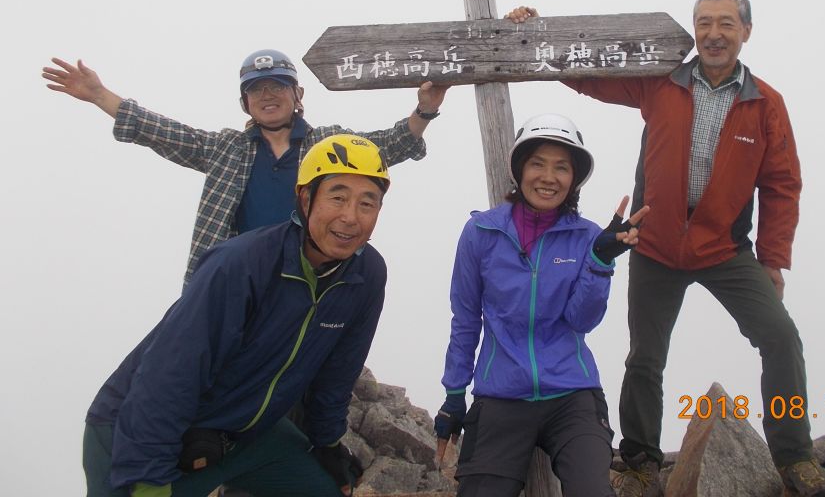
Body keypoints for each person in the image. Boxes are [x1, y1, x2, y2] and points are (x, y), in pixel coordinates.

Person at [506, 0, 825, 497]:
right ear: (693, 30)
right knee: (645, 357)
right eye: (704, 23)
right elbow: (595, 75)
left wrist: (774, 260)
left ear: (745, 31)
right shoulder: (662, 80)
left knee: (780, 338)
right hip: (655, 245)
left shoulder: (765, 104)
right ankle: (640, 462)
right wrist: (538, 35)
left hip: (725, 250)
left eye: (726, 24)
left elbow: (781, 185)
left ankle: (795, 457)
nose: (713, 33)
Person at [83, 134, 392, 497]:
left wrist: (326, 443)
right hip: (136, 433)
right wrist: (147, 477)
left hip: (240, 435)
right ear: (306, 198)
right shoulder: (242, 264)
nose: (350, 217)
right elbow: (170, 373)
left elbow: (338, 372)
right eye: (337, 197)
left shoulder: (366, 275)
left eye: (367, 203)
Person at [42, 49, 446, 285]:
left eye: (277, 86)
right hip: (238, 277)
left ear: (297, 94)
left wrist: (427, 108)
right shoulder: (226, 148)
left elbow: (389, 146)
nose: (267, 96)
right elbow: (162, 132)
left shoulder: (328, 142)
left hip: (308, 274)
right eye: (257, 89)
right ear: (245, 103)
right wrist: (99, 96)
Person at [433, 113, 650, 497]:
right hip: (500, 396)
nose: (548, 177)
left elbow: (581, 320)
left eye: (561, 168)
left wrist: (601, 261)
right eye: (537, 164)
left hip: (572, 395)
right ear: (520, 170)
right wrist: (454, 394)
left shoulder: (587, 236)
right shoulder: (481, 232)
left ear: (574, 179)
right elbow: (466, 319)